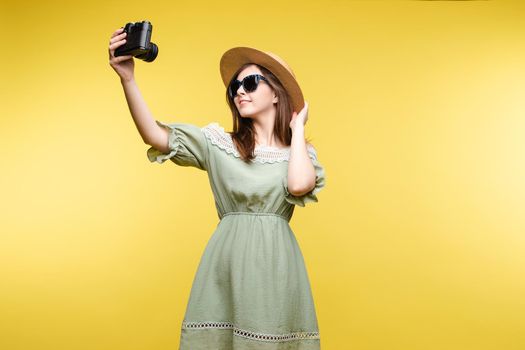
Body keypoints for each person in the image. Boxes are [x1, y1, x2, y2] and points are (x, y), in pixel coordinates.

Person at [108, 27, 326, 350]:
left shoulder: (299, 155)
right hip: (225, 266)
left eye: (250, 83)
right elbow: (155, 136)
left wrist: (297, 130)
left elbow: (297, 184)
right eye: (235, 87)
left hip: (277, 271)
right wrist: (128, 79)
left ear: (276, 93)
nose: (239, 91)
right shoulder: (220, 144)